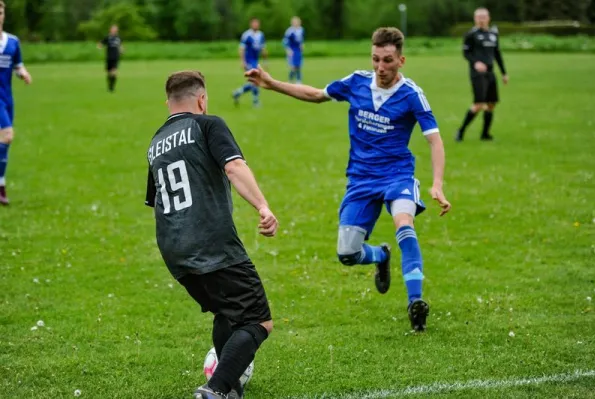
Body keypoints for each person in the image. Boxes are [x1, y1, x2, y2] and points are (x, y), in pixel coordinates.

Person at [245, 27, 451, 332]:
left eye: (388, 61)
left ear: (401, 60)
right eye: (376, 59)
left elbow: (434, 140)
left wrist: (437, 184)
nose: (381, 67)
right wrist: (271, 84)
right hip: (361, 180)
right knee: (347, 253)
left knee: (404, 224)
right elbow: (316, 95)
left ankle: (415, 303)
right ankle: (381, 256)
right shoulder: (355, 82)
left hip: (397, 175)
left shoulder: (412, 95)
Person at [145, 71, 278, 398]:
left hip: (173, 249)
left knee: (227, 311)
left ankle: (230, 387)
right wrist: (263, 206)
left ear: (168, 103)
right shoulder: (208, 125)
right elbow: (233, 167)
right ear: (201, 99)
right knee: (258, 321)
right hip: (212, 244)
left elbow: (156, 199)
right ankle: (215, 389)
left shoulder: (155, 143)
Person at [456, 8, 508, 141]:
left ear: (488, 18)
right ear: (475, 19)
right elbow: (466, 53)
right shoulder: (471, 35)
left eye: (484, 16)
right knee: (479, 103)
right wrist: (476, 62)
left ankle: (485, 134)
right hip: (477, 74)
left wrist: (503, 72)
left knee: (491, 104)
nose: (481, 19)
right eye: (479, 17)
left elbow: (497, 54)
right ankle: (461, 131)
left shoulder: (493, 34)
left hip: (491, 73)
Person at [0, 0, 32, 205]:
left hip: (7, 98)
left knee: (4, 142)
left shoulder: (12, 42)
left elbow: (17, 65)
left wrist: (23, 73)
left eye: (0, 10)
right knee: (7, 135)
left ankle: (1, 185)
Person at [232, 18, 267, 107]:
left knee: (254, 81)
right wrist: (242, 61)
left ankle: (238, 92)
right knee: (255, 79)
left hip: (256, 61)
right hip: (249, 61)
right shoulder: (246, 35)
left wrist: (265, 61)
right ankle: (255, 102)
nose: (256, 25)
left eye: (257, 23)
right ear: (251, 24)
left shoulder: (261, 35)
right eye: (254, 23)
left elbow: (263, 49)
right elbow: (241, 49)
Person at [97, 25, 123, 93]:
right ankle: (109, 86)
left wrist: (121, 50)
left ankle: (112, 87)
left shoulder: (118, 38)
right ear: (110, 30)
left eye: (116, 30)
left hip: (115, 57)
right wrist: (99, 46)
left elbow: (120, 46)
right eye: (113, 29)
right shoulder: (107, 37)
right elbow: (100, 43)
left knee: (114, 72)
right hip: (108, 57)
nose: (115, 31)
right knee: (109, 73)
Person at [283, 16, 304, 84]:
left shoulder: (301, 30)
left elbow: (301, 40)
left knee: (298, 66)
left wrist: (301, 45)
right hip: (292, 51)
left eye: (298, 21)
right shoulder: (289, 31)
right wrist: (288, 50)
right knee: (293, 67)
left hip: (298, 51)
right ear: (292, 23)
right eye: (295, 22)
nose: (296, 23)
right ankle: (290, 80)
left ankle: (299, 81)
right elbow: (285, 41)